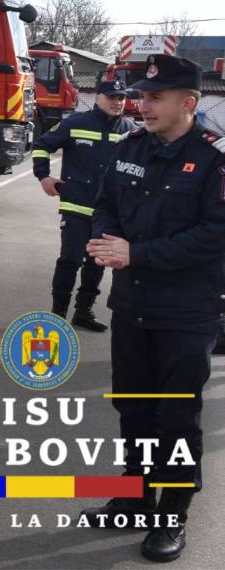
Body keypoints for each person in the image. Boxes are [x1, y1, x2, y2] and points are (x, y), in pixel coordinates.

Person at [77, 54, 225, 563]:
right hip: (133, 304)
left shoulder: (215, 159)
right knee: (134, 408)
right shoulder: (130, 147)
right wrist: (102, 239)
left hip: (186, 312)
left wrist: (136, 253)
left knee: (177, 416)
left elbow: (215, 234)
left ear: (189, 103)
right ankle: (136, 496)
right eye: (141, 96)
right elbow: (105, 205)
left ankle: (172, 515)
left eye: (155, 98)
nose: (142, 105)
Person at [31, 79, 134, 332]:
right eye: (112, 97)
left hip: (108, 214)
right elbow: (41, 146)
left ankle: (83, 311)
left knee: (97, 262)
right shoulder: (75, 124)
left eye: (121, 98)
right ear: (98, 98)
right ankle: (58, 314)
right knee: (70, 259)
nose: (117, 102)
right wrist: (43, 177)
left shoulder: (130, 130)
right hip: (76, 205)